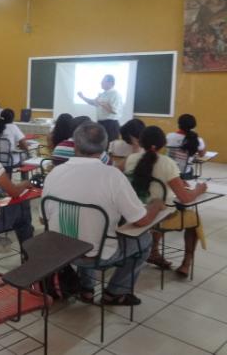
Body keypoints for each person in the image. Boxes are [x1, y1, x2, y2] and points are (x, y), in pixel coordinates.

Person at [43, 122, 165, 305]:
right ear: (106, 147)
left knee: (86, 230)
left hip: (61, 251)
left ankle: (87, 289)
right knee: (145, 240)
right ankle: (115, 292)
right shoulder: (112, 176)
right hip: (95, 256)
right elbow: (141, 221)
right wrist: (156, 204)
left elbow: (43, 217)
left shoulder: (55, 172)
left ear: (75, 145)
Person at [125, 126, 207, 277]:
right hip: (159, 215)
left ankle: (154, 251)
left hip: (137, 211)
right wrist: (200, 189)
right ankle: (185, 264)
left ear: (141, 142)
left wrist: (178, 181)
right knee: (195, 220)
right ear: (162, 144)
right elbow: (185, 198)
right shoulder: (167, 162)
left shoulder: (131, 159)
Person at [78, 74, 123, 142]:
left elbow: (114, 111)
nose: (101, 83)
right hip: (101, 123)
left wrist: (101, 103)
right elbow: (92, 102)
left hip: (111, 124)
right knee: (100, 144)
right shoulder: (103, 94)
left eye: (103, 81)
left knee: (110, 146)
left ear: (110, 83)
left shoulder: (115, 94)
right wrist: (82, 97)